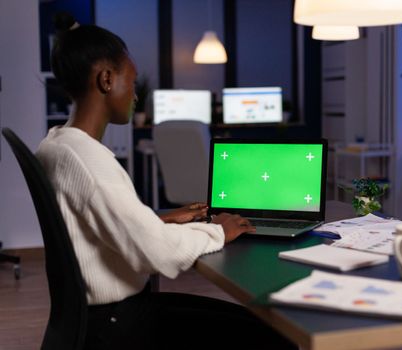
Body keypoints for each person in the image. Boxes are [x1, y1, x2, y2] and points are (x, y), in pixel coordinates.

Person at [36, 12, 296, 350]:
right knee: (276, 338)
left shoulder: (56, 144)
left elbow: (88, 222)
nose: (135, 96)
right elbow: (159, 254)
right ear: (105, 80)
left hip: (91, 315)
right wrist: (220, 229)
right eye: (131, 82)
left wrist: (157, 219)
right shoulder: (90, 161)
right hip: (118, 324)